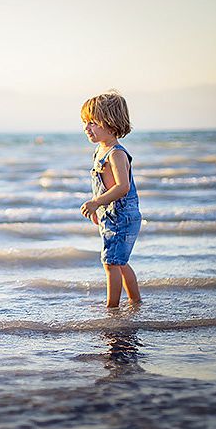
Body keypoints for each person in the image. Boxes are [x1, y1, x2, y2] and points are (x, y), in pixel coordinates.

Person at [79, 90, 142, 307]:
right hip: (110, 215)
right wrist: (98, 209)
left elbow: (122, 187)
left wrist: (96, 203)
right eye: (85, 123)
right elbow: (102, 186)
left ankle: (112, 307)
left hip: (123, 216)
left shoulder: (116, 154)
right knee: (119, 262)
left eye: (92, 122)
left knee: (111, 263)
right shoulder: (99, 151)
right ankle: (135, 302)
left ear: (110, 123)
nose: (87, 128)